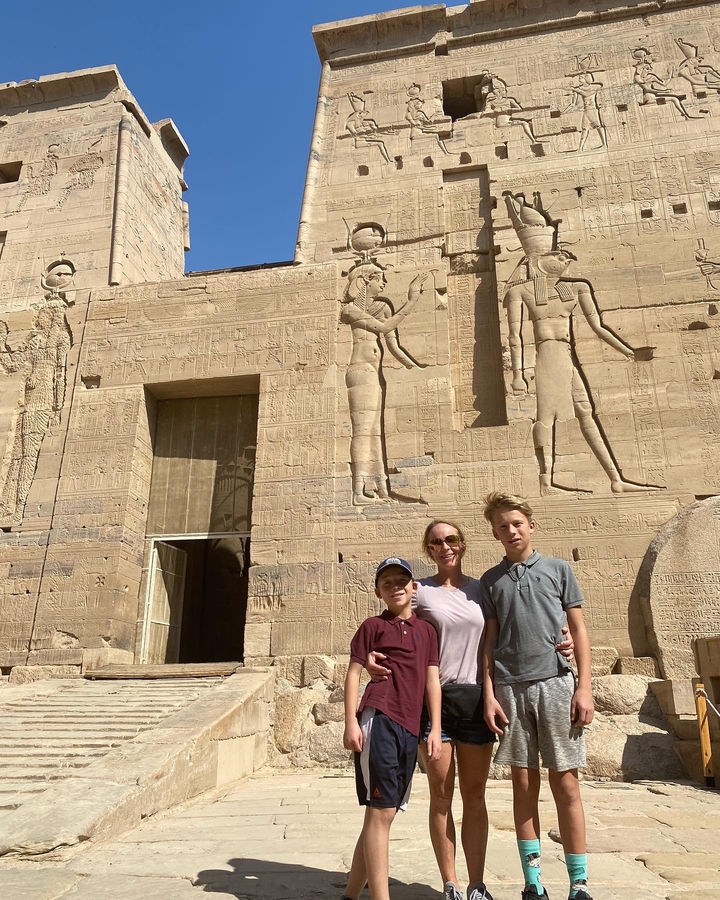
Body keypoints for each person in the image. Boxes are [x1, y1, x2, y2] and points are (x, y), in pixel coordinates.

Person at [367, 521, 575, 900]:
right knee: (441, 796)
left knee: (475, 795)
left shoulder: (483, 588)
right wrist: (366, 655)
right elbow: (392, 621)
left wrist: (566, 639)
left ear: (462, 544)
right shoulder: (420, 591)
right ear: (429, 549)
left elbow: (515, 626)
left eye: (451, 540)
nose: (445, 546)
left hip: (477, 697)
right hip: (435, 703)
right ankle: (451, 884)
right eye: (436, 542)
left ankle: (477, 883)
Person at [481, 493, 594, 900]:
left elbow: (577, 629)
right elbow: (490, 639)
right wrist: (489, 693)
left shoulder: (558, 569)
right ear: (494, 532)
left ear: (531, 525)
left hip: (556, 683)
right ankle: (533, 884)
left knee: (566, 785)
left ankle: (578, 882)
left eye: (517, 523)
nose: (511, 531)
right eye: (502, 526)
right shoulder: (491, 581)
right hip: (511, 688)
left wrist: (585, 686)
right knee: (523, 785)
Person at [343, 557, 442, 900]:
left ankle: (350, 895)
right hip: (380, 717)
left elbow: (432, 680)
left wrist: (434, 729)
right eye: (388, 583)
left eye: (402, 580)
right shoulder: (373, 626)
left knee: (381, 813)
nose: (396, 586)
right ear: (378, 592)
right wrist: (350, 722)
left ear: (414, 587)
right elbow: (354, 673)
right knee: (381, 810)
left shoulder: (427, 631)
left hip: (410, 725)